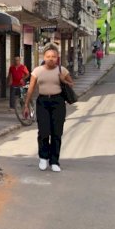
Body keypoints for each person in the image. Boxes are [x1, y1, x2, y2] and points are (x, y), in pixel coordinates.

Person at [23, 43, 74, 172]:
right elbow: (31, 89)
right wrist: (26, 105)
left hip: (58, 102)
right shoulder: (37, 71)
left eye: (53, 56)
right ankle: (43, 158)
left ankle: (55, 161)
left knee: (57, 133)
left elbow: (71, 84)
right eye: (48, 56)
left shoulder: (62, 70)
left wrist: (63, 80)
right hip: (43, 102)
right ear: (44, 57)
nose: (51, 58)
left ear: (57, 57)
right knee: (44, 131)